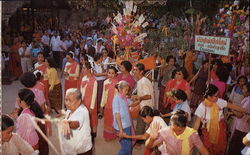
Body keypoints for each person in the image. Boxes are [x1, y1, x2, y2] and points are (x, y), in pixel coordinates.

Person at [193, 84, 248, 155]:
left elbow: (233, 106)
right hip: (207, 133)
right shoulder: (201, 107)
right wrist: (192, 135)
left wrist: (245, 110)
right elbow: (197, 123)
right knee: (208, 150)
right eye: (215, 96)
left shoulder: (219, 102)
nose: (217, 97)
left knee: (219, 150)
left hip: (220, 131)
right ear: (209, 96)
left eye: (218, 95)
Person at [61, 88, 92, 155]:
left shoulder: (82, 111)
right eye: (66, 100)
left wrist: (67, 123)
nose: (67, 103)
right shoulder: (70, 109)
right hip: (71, 149)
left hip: (81, 150)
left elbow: (76, 124)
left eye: (70, 101)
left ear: (79, 101)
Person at [132, 63, 154, 144]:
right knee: (144, 125)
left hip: (146, 107)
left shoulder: (143, 81)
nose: (134, 71)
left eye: (136, 70)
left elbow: (148, 96)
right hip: (144, 106)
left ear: (141, 72)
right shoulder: (141, 80)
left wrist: (139, 98)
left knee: (140, 125)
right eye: (134, 69)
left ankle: (139, 141)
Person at [228, 82, 250, 155]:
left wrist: (232, 111)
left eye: (244, 89)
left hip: (242, 129)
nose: (242, 90)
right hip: (243, 128)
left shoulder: (248, 101)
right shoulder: (247, 99)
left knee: (234, 149)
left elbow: (239, 115)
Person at [112, 81, 134, 155]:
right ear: (120, 90)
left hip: (127, 125)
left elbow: (131, 104)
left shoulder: (124, 97)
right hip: (122, 127)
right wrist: (121, 130)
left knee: (128, 146)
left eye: (128, 90)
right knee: (126, 148)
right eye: (126, 90)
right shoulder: (116, 99)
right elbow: (117, 115)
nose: (127, 92)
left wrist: (139, 99)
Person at [80, 62, 98, 141]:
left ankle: (93, 134)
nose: (82, 70)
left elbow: (94, 95)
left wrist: (92, 107)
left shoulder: (94, 81)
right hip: (83, 102)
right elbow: (81, 91)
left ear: (88, 69)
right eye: (82, 68)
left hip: (91, 103)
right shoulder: (83, 78)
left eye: (84, 68)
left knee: (92, 119)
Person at [100, 66, 119, 141]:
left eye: (112, 73)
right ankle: (107, 136)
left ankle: (113, 135)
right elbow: (104, 95)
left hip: (114, 105)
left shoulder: (117, 83)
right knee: (107, 120)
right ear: (107, 73)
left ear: (115, 74)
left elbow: (118, 96)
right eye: (109, 73)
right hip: (107, 105)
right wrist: (102, 105)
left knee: (113, 120)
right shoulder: (105, 82)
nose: (111, 75)